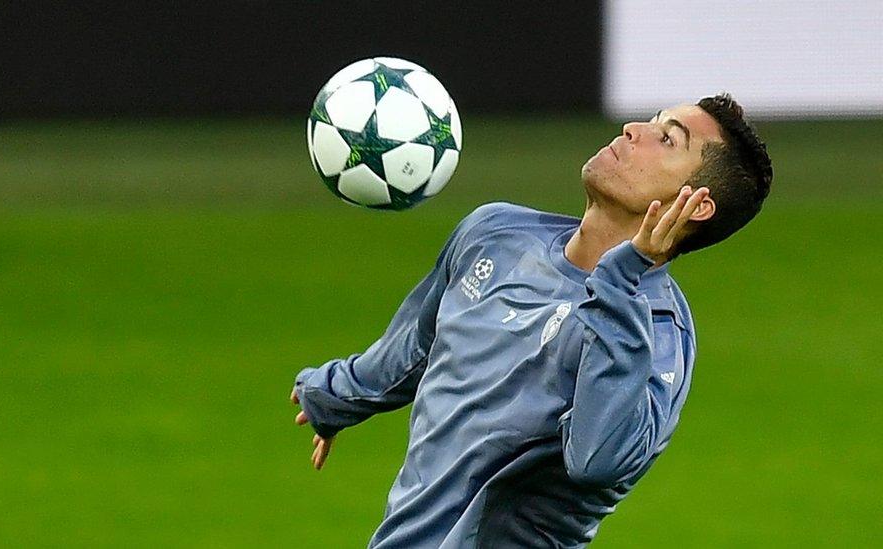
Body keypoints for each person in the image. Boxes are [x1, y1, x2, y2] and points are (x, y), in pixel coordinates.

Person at [290, 93, 772, 547]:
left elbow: (597, 460)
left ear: (697, 203)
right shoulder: (496, 234)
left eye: (667, 139)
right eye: (650, 121)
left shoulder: (659, 334)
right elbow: (418, 346)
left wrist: (620, 281)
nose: (633, 130)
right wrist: (335, 396)